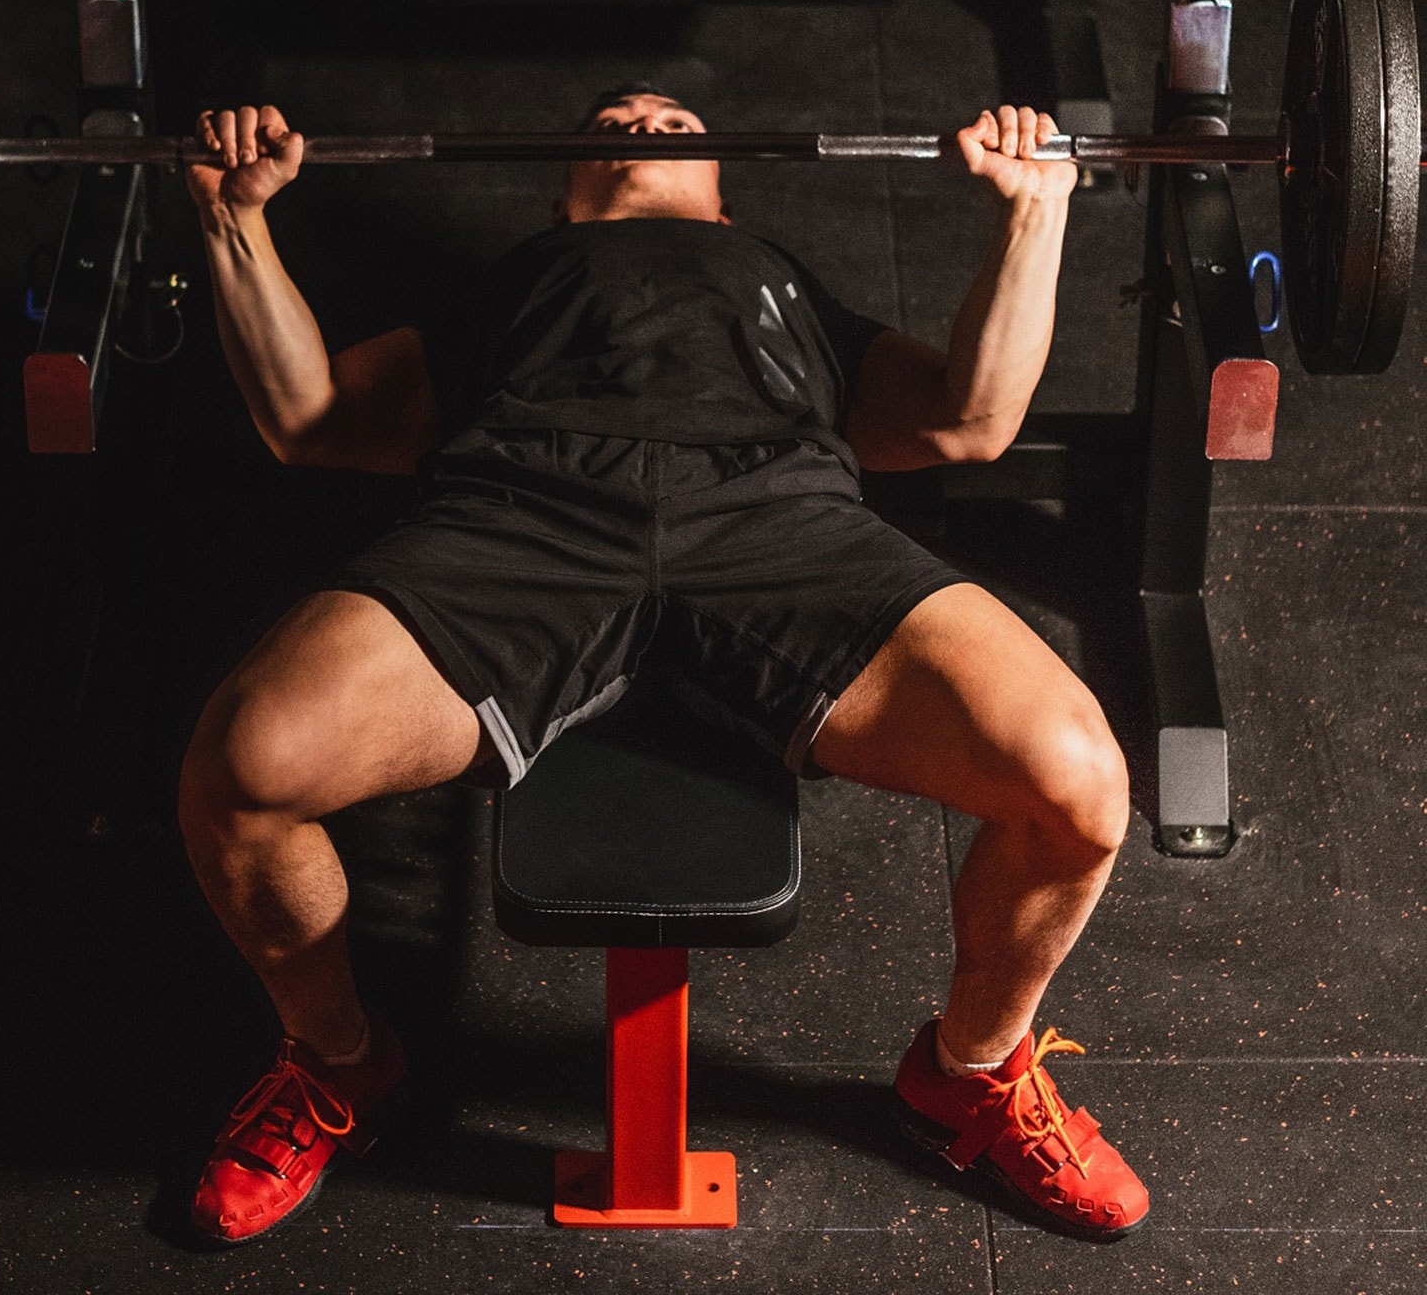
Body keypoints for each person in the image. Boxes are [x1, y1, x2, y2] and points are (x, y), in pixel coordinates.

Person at [178, 87, 1149, 1245]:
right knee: (244, 764)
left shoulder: (777, 284)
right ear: (562, 190)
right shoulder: (511, 284)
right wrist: (233, 221)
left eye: (673, 115)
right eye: (609, 113)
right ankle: (339, 1060)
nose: (641, 112)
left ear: (724, 194)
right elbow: (305, 413)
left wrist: (1033, 210)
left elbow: (972, 418)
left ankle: (971, 1073)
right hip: (522, 521)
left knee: (1079, 780)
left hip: (779, 524)